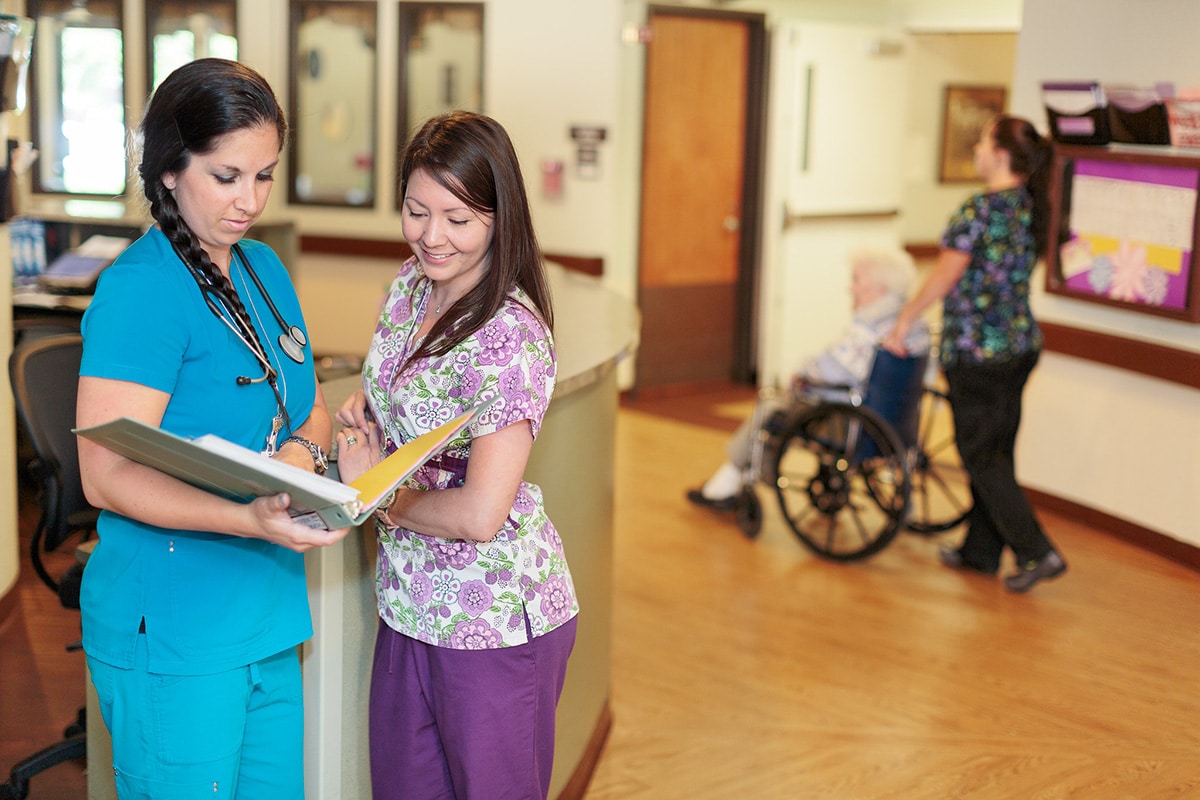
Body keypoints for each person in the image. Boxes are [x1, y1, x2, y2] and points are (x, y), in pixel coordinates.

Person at [76, 58, 349, 798]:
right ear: (168, 170)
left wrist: (297, 456)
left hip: (265, 612)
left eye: (264, 176)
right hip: (173, 625)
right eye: (226, 176)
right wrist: (245, 515)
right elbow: (104, 475)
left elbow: (309, 401)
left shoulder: (263, 267)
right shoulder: (142, 290)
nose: (249, 201)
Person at [334, 111, 578, 800]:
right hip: (409, 600)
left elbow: (479, 514)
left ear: (501, 220)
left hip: (493, 618)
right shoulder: (410, 287)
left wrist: (379, 496)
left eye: (457, 219)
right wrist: (367, 411)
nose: (431, 237)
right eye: (416, 212)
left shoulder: (511, 336)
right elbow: (394, 390)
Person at [881, 113, 1067, 594]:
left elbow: (944, 276)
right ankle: (980, 552)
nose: (977, 151)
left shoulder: (979, 210)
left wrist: (906, 318)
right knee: (996, 451)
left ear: (1001, 155)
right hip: (1020, 346)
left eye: (983, 143)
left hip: (978, 352)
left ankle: (1036, 550)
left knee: (981, 455)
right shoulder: (1031, 205)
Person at [687, 247, 929, 509]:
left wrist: (801, 373)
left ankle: (726, 484)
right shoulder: (914, 325)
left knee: (769, 406)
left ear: (877, 289)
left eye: (856, 280)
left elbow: (830, 371)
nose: (850, 288)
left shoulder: (868, 327)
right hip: (895, 421)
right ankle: (735, 478)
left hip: (846, 421)